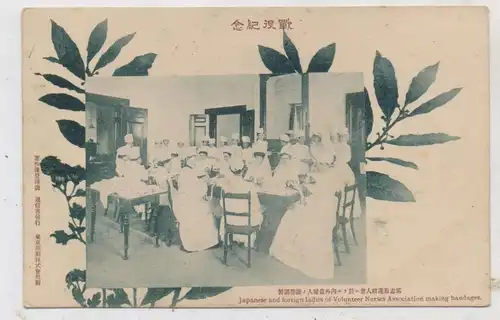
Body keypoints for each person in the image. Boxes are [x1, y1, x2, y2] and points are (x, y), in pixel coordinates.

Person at [170, 159, 219, 252]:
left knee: (203, 207)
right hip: (189, 204)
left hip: (180, 203)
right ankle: (208, 242)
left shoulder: (184, 171)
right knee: (208, 209)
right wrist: (205, 183)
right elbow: (198, 191)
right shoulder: (190, 174)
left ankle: (194, 243)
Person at [218, 159, 263, 248]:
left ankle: (232, 239)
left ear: (230, 170)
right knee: (260, 211)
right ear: (243, 170)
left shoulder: (225, 187)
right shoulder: (250, 186)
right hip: (246, 222)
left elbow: (222, 205)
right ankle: (248, 241)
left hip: (229, 221)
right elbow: (255, 205)